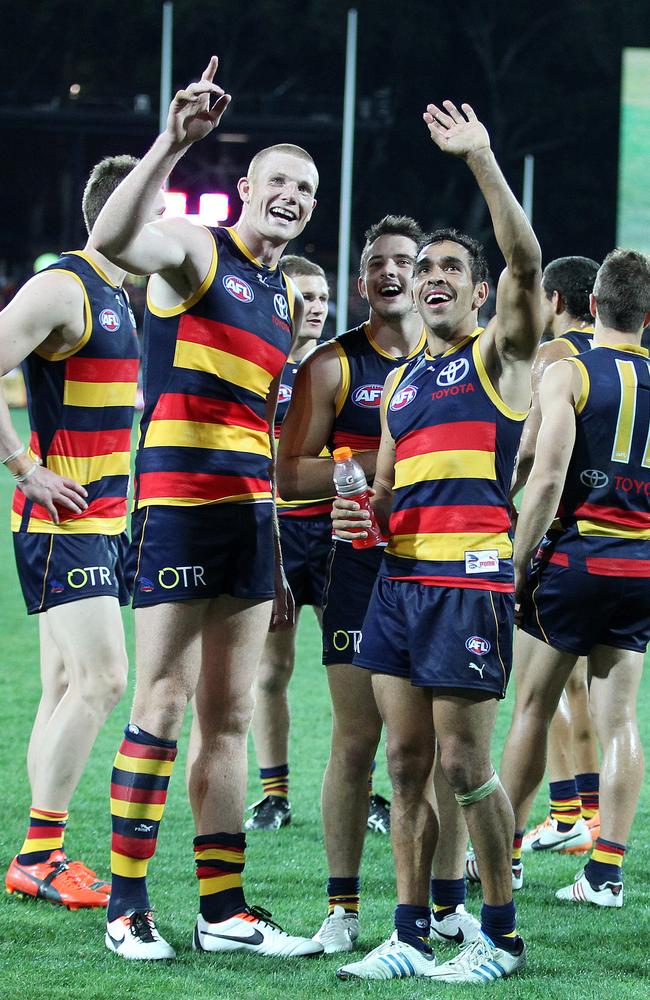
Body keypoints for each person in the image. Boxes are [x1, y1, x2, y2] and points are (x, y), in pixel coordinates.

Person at [92, 58, 322, 959]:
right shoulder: (196, 252)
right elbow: (112, 235)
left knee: (231, 716)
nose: (293, 197)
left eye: (305, 188)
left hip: (247, 520)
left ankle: (223, 912)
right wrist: (174, 141)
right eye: (278, 183)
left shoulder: (278, 298)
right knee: (163, 701)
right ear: (245, 189)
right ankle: (126, 908)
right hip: (179, 509)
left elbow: (260, 431)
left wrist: (273, 534)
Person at [332, 98, 542, 983]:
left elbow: (527, 259)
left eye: (451, 267)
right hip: (399, 587)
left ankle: (498, 935)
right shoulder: (408, 381)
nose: (432, 278)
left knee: (465, 763)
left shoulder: (502, 353)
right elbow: (383, 492)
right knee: (407, 765)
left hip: (469, 583)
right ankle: (409, 934)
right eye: (424, 269)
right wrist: (361, 516)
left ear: (481, 288)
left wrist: (482, 159)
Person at [278, 215, 479, 955]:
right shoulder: (333, 366)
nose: (393, 271)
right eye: (378, 263)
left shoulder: (464, 362)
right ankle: (342, 911)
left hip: (448, 568)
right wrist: (363, 471)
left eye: (407, 259)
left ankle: (450, 902)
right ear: (363, 282)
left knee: (450, 747)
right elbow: (286, 470)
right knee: (361, 741)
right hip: (362, 570)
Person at [1, 155, 146, 910]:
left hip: (101, 524)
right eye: (151, 209)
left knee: (61, 685)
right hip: (65, 525)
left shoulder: (124, 297)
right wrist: (24, 467)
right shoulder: (65, 285)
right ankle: (40, 853)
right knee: (103, 681)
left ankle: (40, 851)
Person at [501, 248, 650, 908]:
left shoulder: (569, 371)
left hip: (574, 560)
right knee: (619, 720)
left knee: (533, 708)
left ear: (592, 305)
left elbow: (547, 476)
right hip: (638, 567)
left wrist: (516, 562)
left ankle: (503, 857)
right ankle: (606, 871)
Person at [246, 254, 332, 831]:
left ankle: (370, 789)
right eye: (306, 296)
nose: (318, 307)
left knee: (359, 667)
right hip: (275, 533)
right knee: (271, 669)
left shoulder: (341, 367)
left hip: (335, 534)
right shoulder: (256, 366)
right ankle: (274, 793)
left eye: (325, 297)